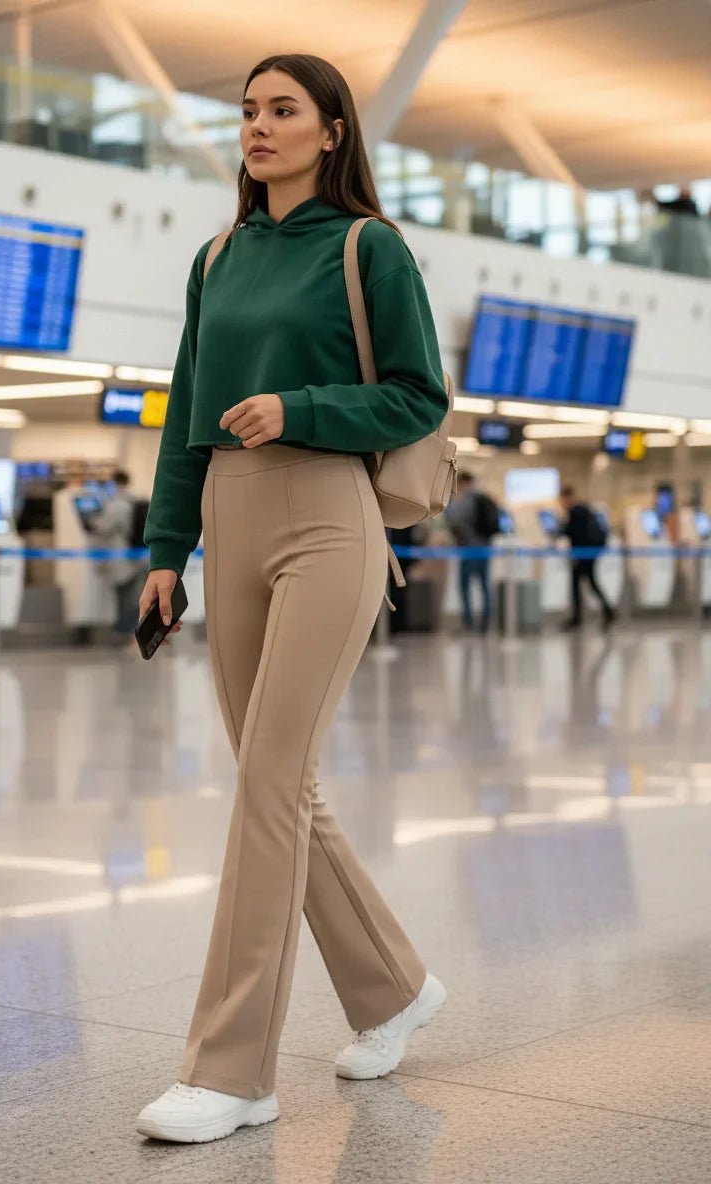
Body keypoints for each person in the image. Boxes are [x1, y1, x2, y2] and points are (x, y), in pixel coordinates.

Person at [134, 52, 448, 1144]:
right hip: (228, 514)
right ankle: (395, 985)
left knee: (271, 778)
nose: (259, 127)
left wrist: (301, 406)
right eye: (249, 112)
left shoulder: (369, 247)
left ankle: (231, 1068)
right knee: (279, 784)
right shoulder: (218, 256)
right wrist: (166, 546)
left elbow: (418, 394)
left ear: (332, 132)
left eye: (283, 111)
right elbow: (185, 409)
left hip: (328, 517)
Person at [87, 470, 148, 641]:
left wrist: (93, 522)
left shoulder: (116, 504)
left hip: (123, 559)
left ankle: (126, 633)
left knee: (126, 597)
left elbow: (103, 527)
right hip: (140, 555)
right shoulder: (135, 500)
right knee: (135, 594)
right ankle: (132, 631)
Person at [445, 472, 500, 634]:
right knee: (484, 585)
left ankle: (468, 623)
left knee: (465, 586)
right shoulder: (485, 498)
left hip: (469, 549)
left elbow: (453, 520)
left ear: (462, 483)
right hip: (485, 548)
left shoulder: (465, 501)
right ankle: (486, 623)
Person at [559, 486, 615, 631]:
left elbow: (573, 534)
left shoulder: (575, 512)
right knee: (591, 583)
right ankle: (607, 610)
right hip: (590, 553)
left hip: (582, 554)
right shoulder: (585, 509)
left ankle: (578, 618)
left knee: (578, 585)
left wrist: (575, 555)